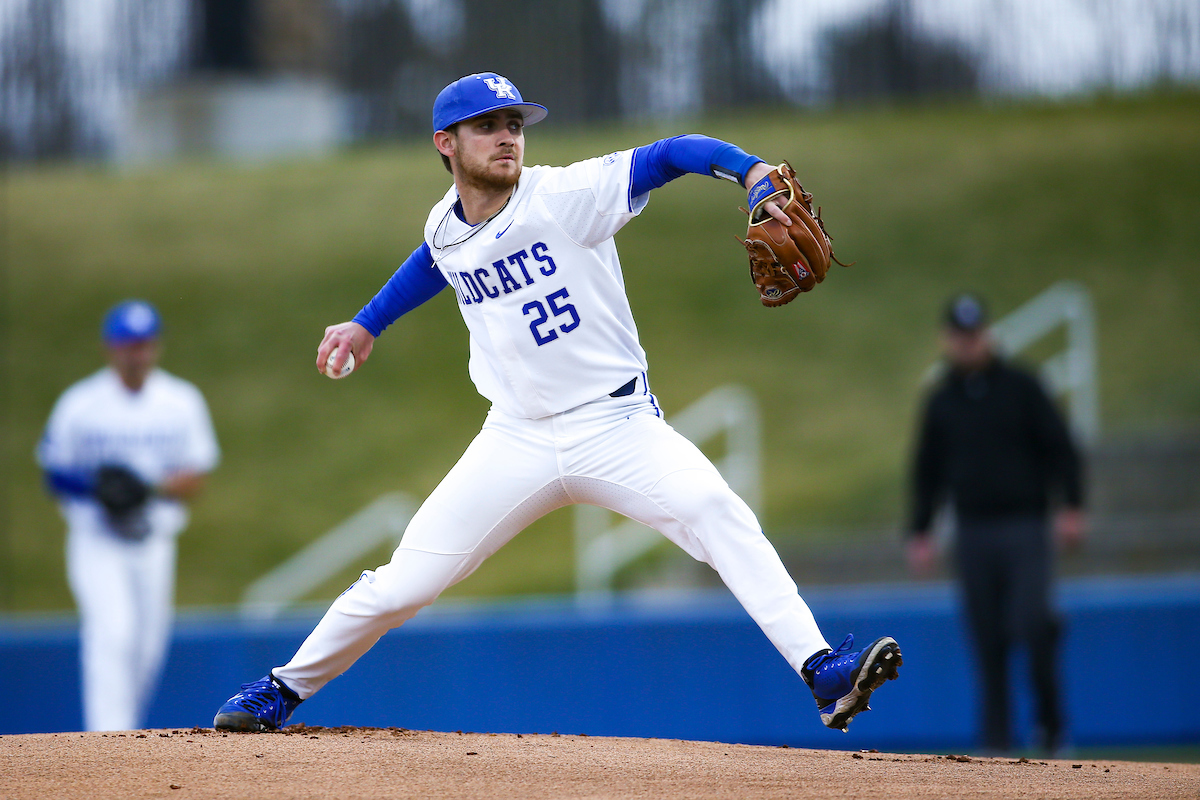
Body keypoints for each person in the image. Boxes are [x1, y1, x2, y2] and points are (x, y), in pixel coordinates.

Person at [213, 72, 902, 734]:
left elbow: (670, 155)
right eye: (487, 126)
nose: (507, 136)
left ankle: (822, 673)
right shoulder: (446, 225)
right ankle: (279, 690)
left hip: (617, 424)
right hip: (513, 439)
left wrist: (751, 173)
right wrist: (368, 322)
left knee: (715, 512)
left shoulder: (565, 194)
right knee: (403, 586)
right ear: (444, 143)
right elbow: (436, 259)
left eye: (514, 123)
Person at [907, 293, 1085, 755]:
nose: (968, 344)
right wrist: (921, 530)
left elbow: (1059, 445)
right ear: (948, 339)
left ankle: (1050, 725)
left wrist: (1071, 504)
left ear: (986, 334)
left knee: (1032, 622)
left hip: (1024, 524)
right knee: (987, 640)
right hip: (973, 531)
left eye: (974, 334)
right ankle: (996, 746)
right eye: (959, 336)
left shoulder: (1022, 386)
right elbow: (927, 470)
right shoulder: (942, 400)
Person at [37, 300, 220, 732]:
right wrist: (95, 489)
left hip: (154, 538)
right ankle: (107, 739)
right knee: (111, 632)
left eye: (143, 344)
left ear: (154, 347)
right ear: (110, 347)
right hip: (97, 538)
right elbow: (54, 470)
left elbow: (196, 475)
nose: (135, 354)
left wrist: (148, 488)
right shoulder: (81, 403)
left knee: (148, 647)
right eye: (127, 345)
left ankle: (124, 740)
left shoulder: (180, 401)